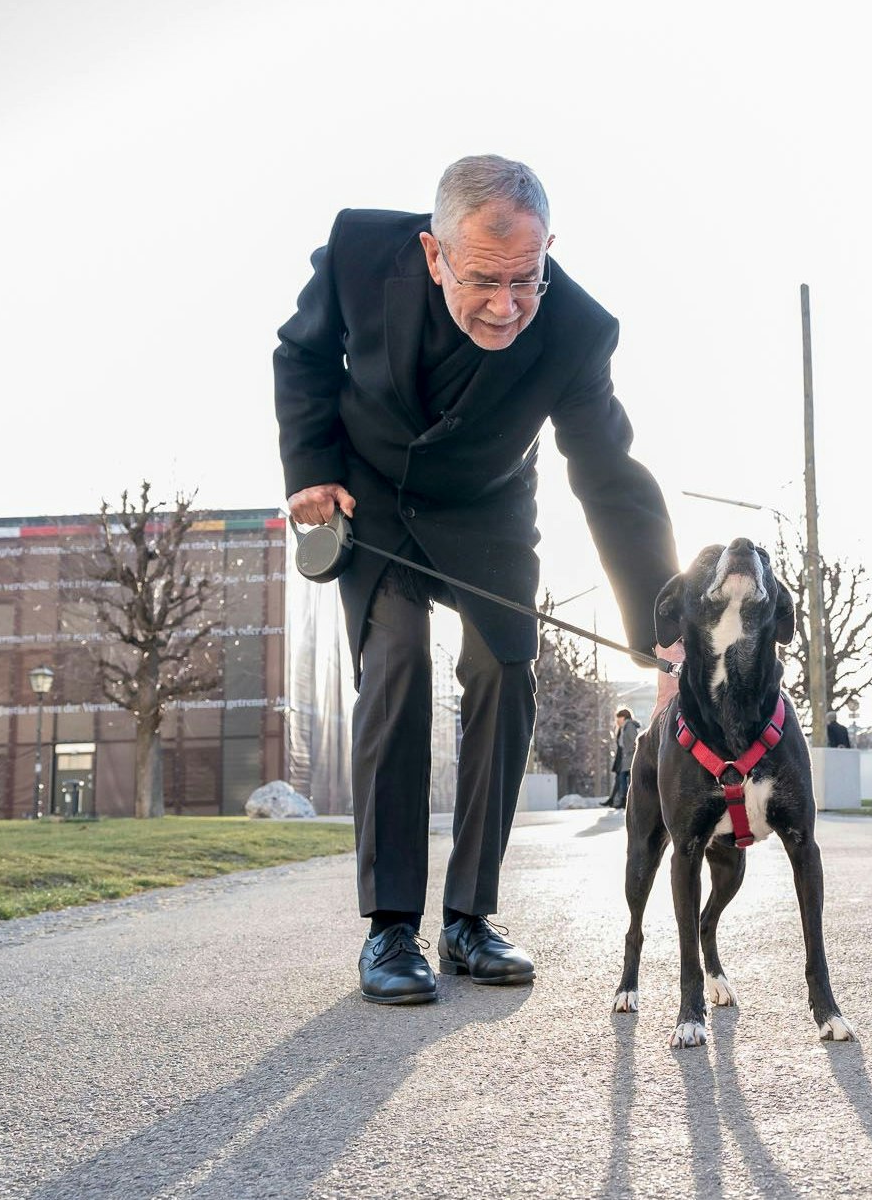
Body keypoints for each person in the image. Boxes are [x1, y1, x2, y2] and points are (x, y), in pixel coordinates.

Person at [274, 156, 680, 1005]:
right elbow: (303, 354)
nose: (506, 305)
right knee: (397, 662)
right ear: (433, 254)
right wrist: (309, 465)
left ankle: (468, 919)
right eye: (484, 281)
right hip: (374, 496)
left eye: (524, 280)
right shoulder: (357, 249)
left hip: (489, 507)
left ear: (549, 251)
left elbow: (608, 475)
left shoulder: (574, 330)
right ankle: (390, 926)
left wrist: (660, 627)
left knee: (504, 668)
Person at [604, 706, 641, 809]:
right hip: (626, 759)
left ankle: (626, 800)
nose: (617, 720)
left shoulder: (629, 726)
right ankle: (624, 800)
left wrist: (629, 752)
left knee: (626, 779)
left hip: (630, 758)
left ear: (623, 717)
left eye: (618, 717)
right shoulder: (624, 727)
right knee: (624, 779)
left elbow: (635, 740)